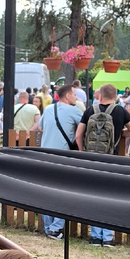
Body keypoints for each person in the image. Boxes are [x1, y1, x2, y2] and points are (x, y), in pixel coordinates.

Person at [76, 84, 130, 246]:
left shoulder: (90, 111)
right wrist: (121, 133)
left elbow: (78, 134)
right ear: (115, 96)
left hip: (92, 160)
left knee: (94, 197)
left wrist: (83, 151)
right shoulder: (120, 111)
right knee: (108, 197)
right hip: (111, 160)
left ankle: (95, 236)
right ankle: (108, 237)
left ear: (100, 96)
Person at [38, 83, 81, 239]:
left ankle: (49, 227)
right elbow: (82, 128)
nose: (76, 97)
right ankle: (56, 228)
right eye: (75, 94)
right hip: (62, 157)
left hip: (45, 155)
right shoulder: (75, 111)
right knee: (63, 193)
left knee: (45, 192)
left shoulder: (49, 109)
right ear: (68, 96)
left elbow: (41, 127)